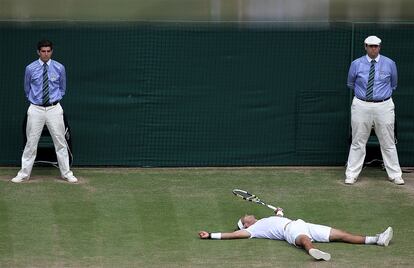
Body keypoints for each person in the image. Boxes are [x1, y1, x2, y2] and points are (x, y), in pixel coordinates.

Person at [198, 209, 393, 261]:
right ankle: (313, 251)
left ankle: (376, 239)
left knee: (340, 234)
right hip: (290, 231)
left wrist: (279, 213)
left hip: (300, 223)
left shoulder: (263, 221)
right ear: (246, 224)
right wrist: (211, 235)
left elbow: (279, 218)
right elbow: (232, 235)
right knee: (303, 239)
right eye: (245, 217)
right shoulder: (252, 230)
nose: (248, 214)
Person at [11, 39, 77, 183]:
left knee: (60, 142)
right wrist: (35, 101)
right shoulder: (30, 68)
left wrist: (55, 99)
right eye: (43, 51)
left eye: (48, 51)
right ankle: (24, 174)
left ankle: (66, 173)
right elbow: (27, 88)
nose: (46, 54)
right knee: (31, 142)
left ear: (51, 51)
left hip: (54, 108)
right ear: (38, 52)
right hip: (36, 109)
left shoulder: (59, 68)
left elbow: (62, 87)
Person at [345, 35, 404, 185]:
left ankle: (395, 174)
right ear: (365, 47)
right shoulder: (356, 64)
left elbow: (393, 84)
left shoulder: (390, 63)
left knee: (388, 141)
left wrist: (380, 97)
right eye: (370, 46)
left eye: (376, 46)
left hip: (384, 105)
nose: (373, 49)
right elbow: (351, 83)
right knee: (358, 140)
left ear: (380, 47)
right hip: (361, 104)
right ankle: (351, 174)